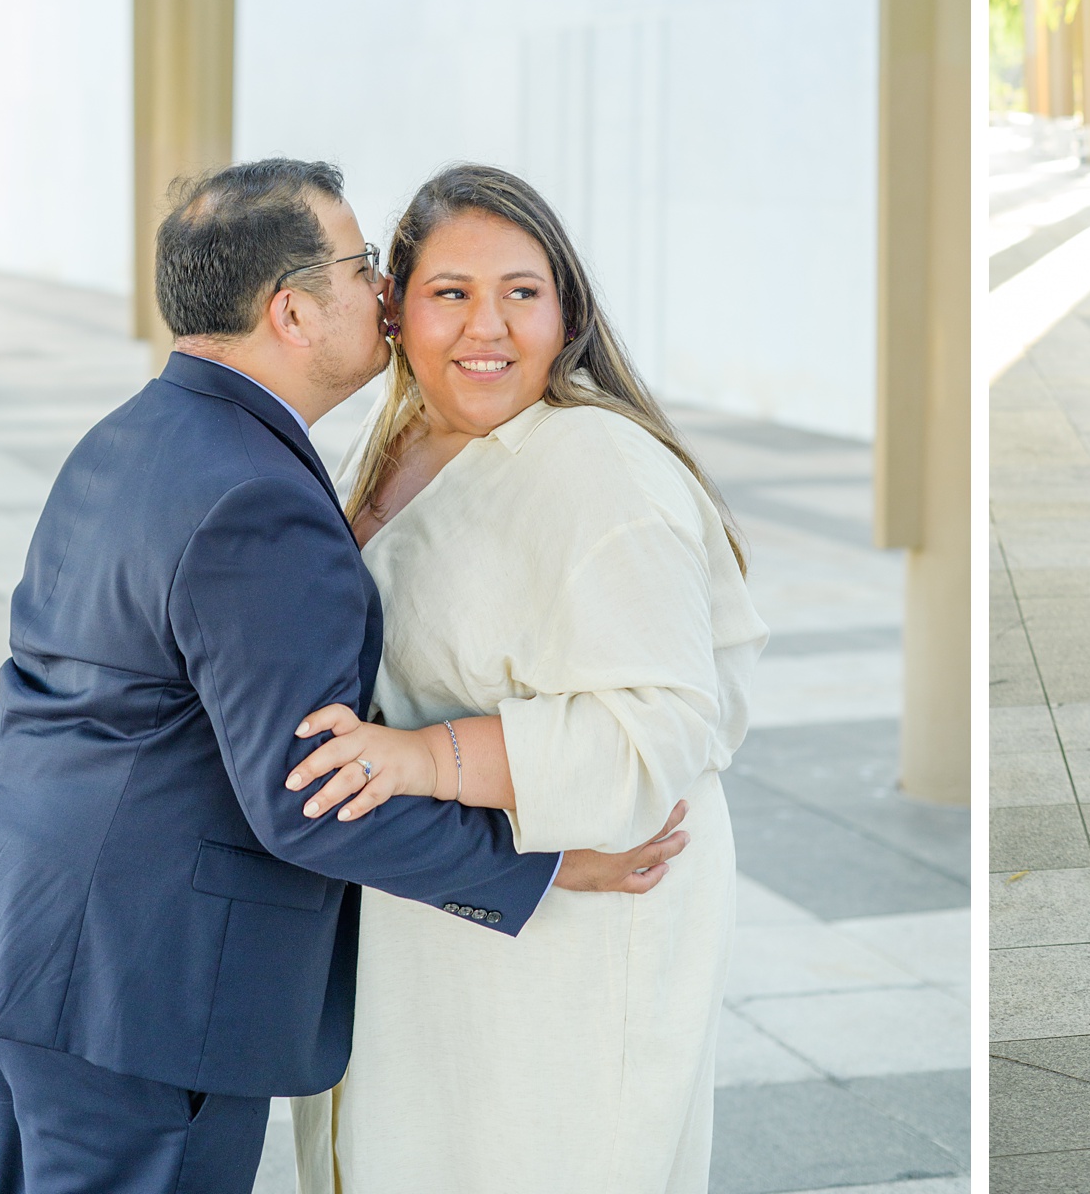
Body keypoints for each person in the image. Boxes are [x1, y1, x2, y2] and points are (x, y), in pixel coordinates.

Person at [0, 159, 685, 1194]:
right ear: (293, 309)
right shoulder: (258, 496)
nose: (384, 295)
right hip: (134, 993)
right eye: (361, 269)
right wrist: (549, 865)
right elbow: (309, 805)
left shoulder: (138, 434)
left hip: (16, 937)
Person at [280, 165, 766, 1193]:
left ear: (568, 312)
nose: (486, 326)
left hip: (575, 934)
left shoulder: (598, 464)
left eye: (523, 291)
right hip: (456, 905)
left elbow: (657, 735)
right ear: (393, 309)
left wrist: (419, 758)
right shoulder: (402, 437)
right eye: (451, 292)